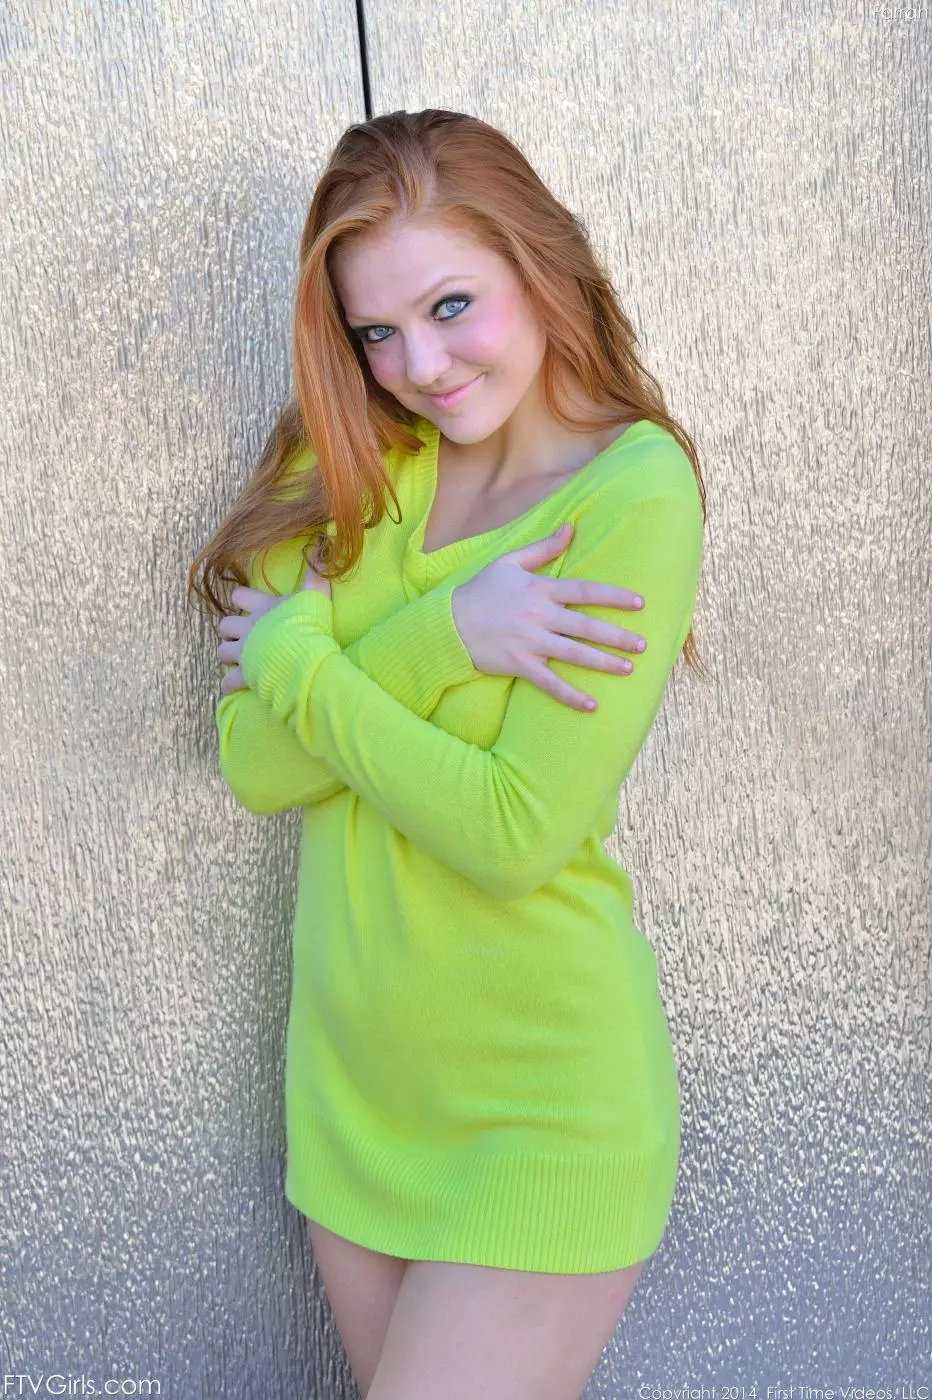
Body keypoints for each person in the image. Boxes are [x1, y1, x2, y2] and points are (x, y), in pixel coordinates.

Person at [187, 108, 710, 1400]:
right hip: (357, 1106)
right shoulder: (352, 457)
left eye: (452, 305)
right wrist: (448, 636)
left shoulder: (630, 491)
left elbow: (514, 829)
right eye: (376, 332)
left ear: (541, 262)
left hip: (539, 1109)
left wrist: (307, 661)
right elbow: (256, 766)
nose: (418, 364)